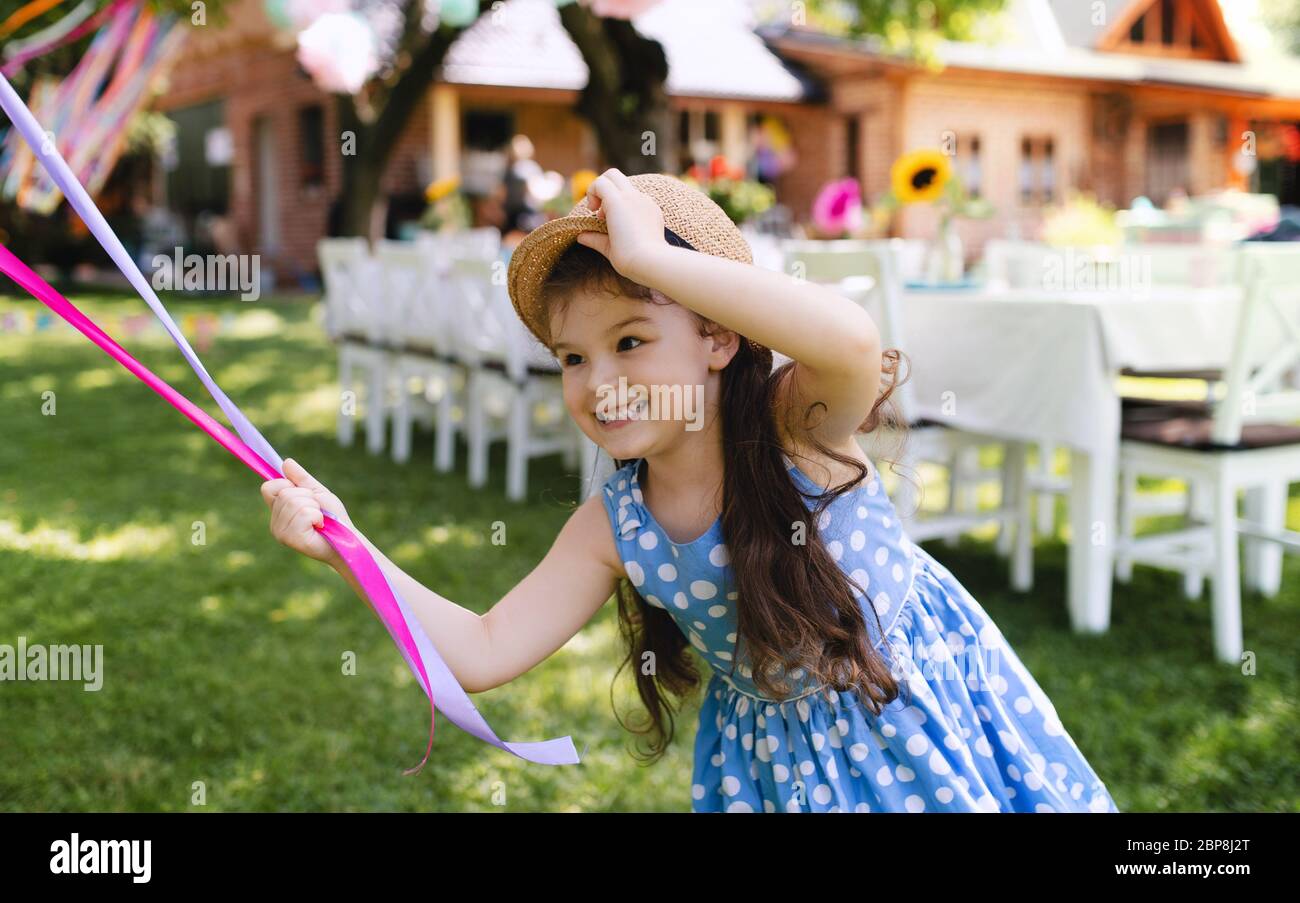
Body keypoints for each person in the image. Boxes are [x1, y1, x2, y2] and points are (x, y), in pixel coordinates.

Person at [261, 170, 1120, 814]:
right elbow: (484, 649)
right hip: (769, 769)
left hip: (905, 711)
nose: (599, 380)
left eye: (631, 339)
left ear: (717, 335)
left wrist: (647, 256)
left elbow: (853, 340)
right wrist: (346, 543)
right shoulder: (614, 524)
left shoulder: (796, 427)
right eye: (573, 357)